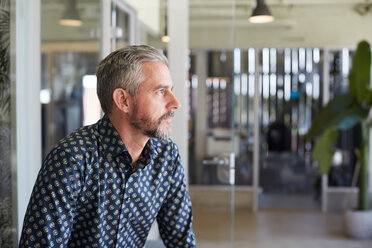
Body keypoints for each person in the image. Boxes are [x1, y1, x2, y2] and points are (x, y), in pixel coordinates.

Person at [19, 45, 196, 247]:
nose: (175, 103)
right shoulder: (72, 159)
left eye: (170, 91)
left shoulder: (166, 156)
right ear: (123, 100)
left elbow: (181, 240)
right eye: (160, 91)